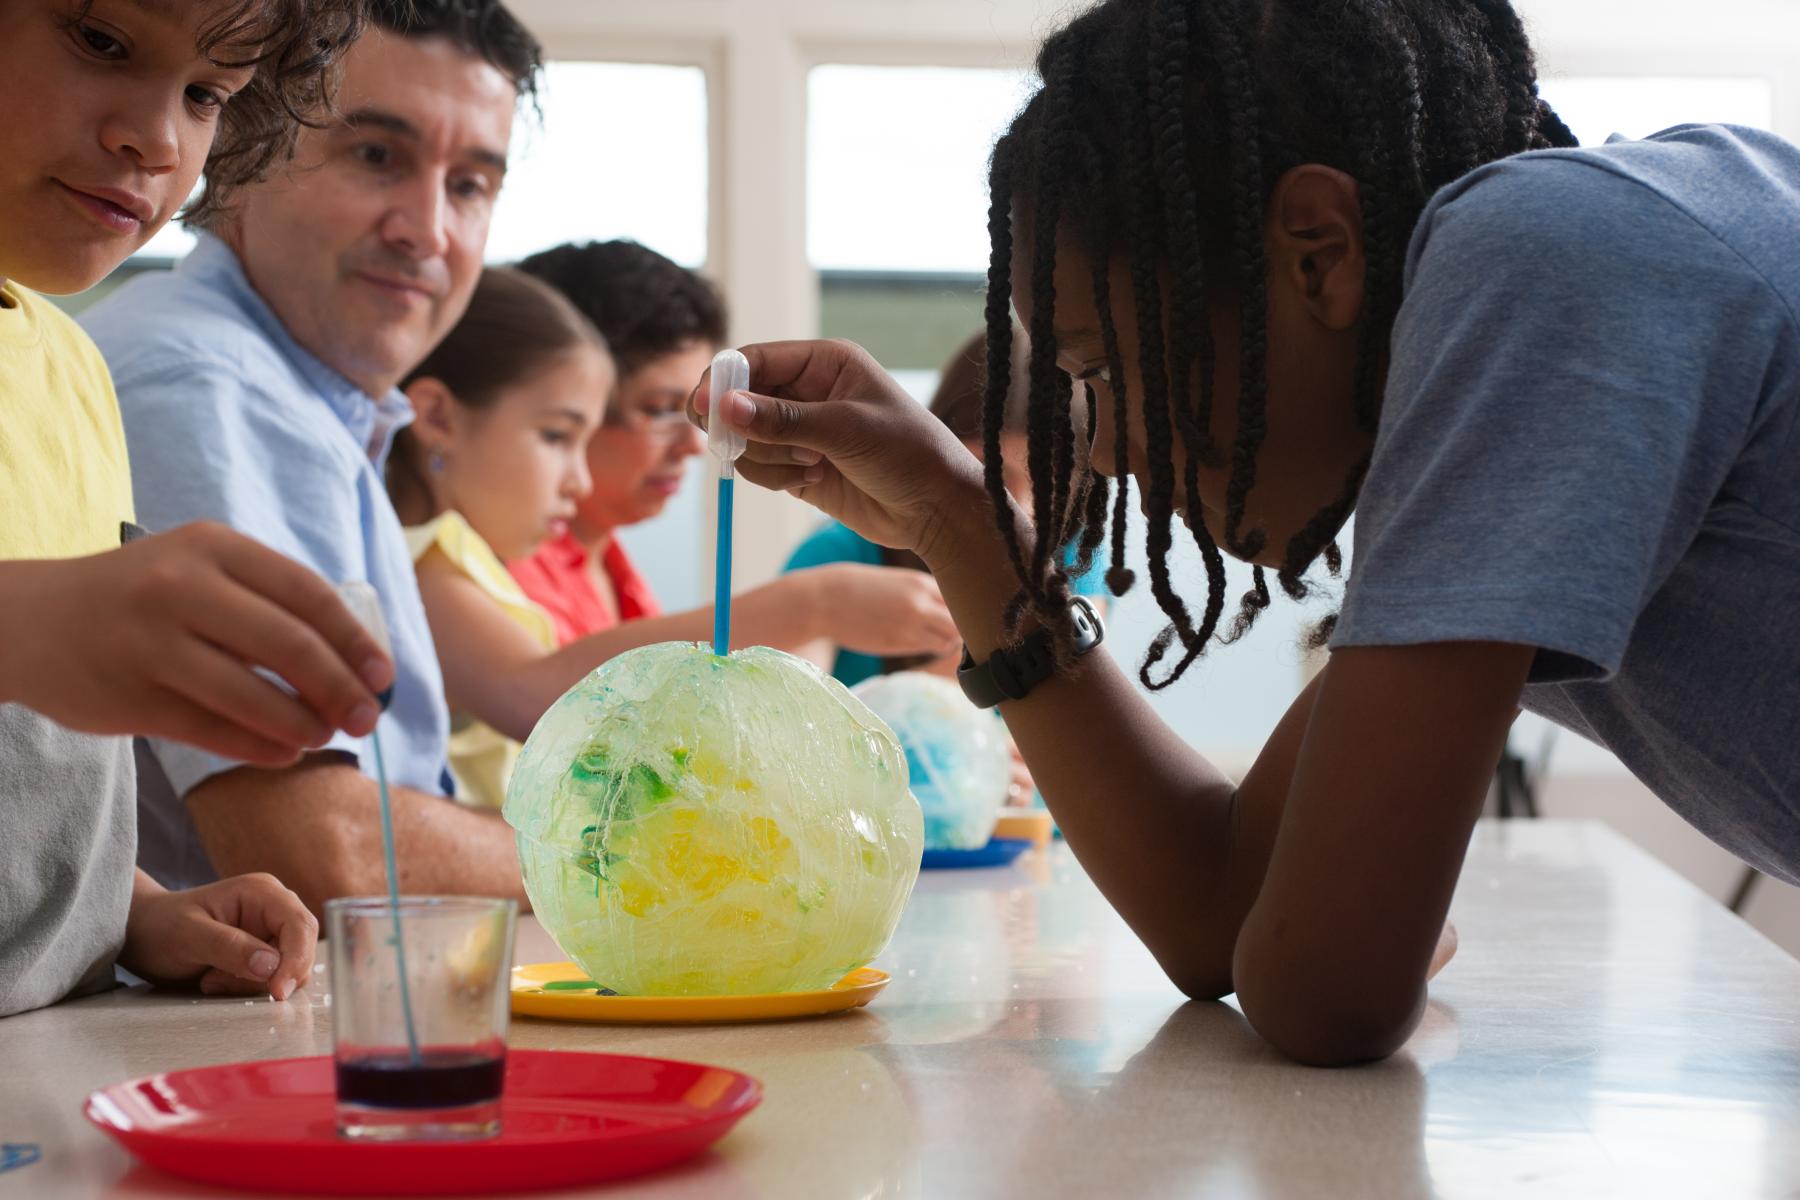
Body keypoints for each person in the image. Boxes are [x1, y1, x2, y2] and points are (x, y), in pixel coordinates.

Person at [695, 0, 1800, 1066]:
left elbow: (1325, 991)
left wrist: (1357, 932)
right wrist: (954, 515)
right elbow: (1217, 907)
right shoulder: (1575, 300)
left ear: (1316, 251)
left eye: (1102, 369)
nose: (1112, 450)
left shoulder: (1551, 259)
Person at [81, 0, 543, 914]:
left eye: (469, 186)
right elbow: (319, 848)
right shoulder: (207, 384)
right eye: (378, 156)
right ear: (239, 152)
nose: (429, 232)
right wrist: (628, 859)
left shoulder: (302, 390)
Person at [0, 0, 392, 1015]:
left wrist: (127, 912)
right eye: (100, 42)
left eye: (207, 94)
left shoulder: (72, 371)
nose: (158, 139)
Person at [507, 240, 962, 667]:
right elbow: (532, 691)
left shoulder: (612, 567)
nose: (691, 445)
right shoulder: (494, 564)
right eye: (659, 409)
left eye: (694, 413)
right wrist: (816, 604)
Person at [387, 267, 611, 807]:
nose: (581, 480)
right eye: (556, 436)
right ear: (437, 415)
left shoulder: (469, 558)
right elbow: (538, 697)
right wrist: (811, 603)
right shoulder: (419, 564)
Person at [784, 327, 1109, 689]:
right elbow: (797, 714)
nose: (1020, 510)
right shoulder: (836, 559)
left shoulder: (1075, 557)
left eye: (1050, 489)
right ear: (930, 450)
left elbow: (1072, 705)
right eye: (989, 476)